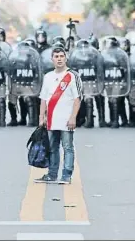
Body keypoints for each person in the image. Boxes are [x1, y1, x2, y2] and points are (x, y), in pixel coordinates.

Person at [35, 45, 82, 184]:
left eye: (62, 56)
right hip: (51, 119)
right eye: (56, 57)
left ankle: (66, 175)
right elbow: (43, 98)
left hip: (66, 119)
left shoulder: (72, 76)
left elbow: (77, 99)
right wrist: (41, 117)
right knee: (52, 147)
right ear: (52, 59)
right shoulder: (48, 76)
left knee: (67, 147)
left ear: (66, 58)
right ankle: (52, 174)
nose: (59, 59)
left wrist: (73, 117)